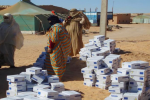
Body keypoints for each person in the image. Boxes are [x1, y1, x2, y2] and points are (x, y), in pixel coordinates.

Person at [45, 15, 71, 80]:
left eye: (50, 21)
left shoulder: (56, 28)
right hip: (62, 47)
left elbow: (54, 39)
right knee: (60, 62)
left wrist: (50, 47)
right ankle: (56, 76)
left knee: (56, 62)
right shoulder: (60, 26)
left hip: (57, 48)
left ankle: (57, 78)